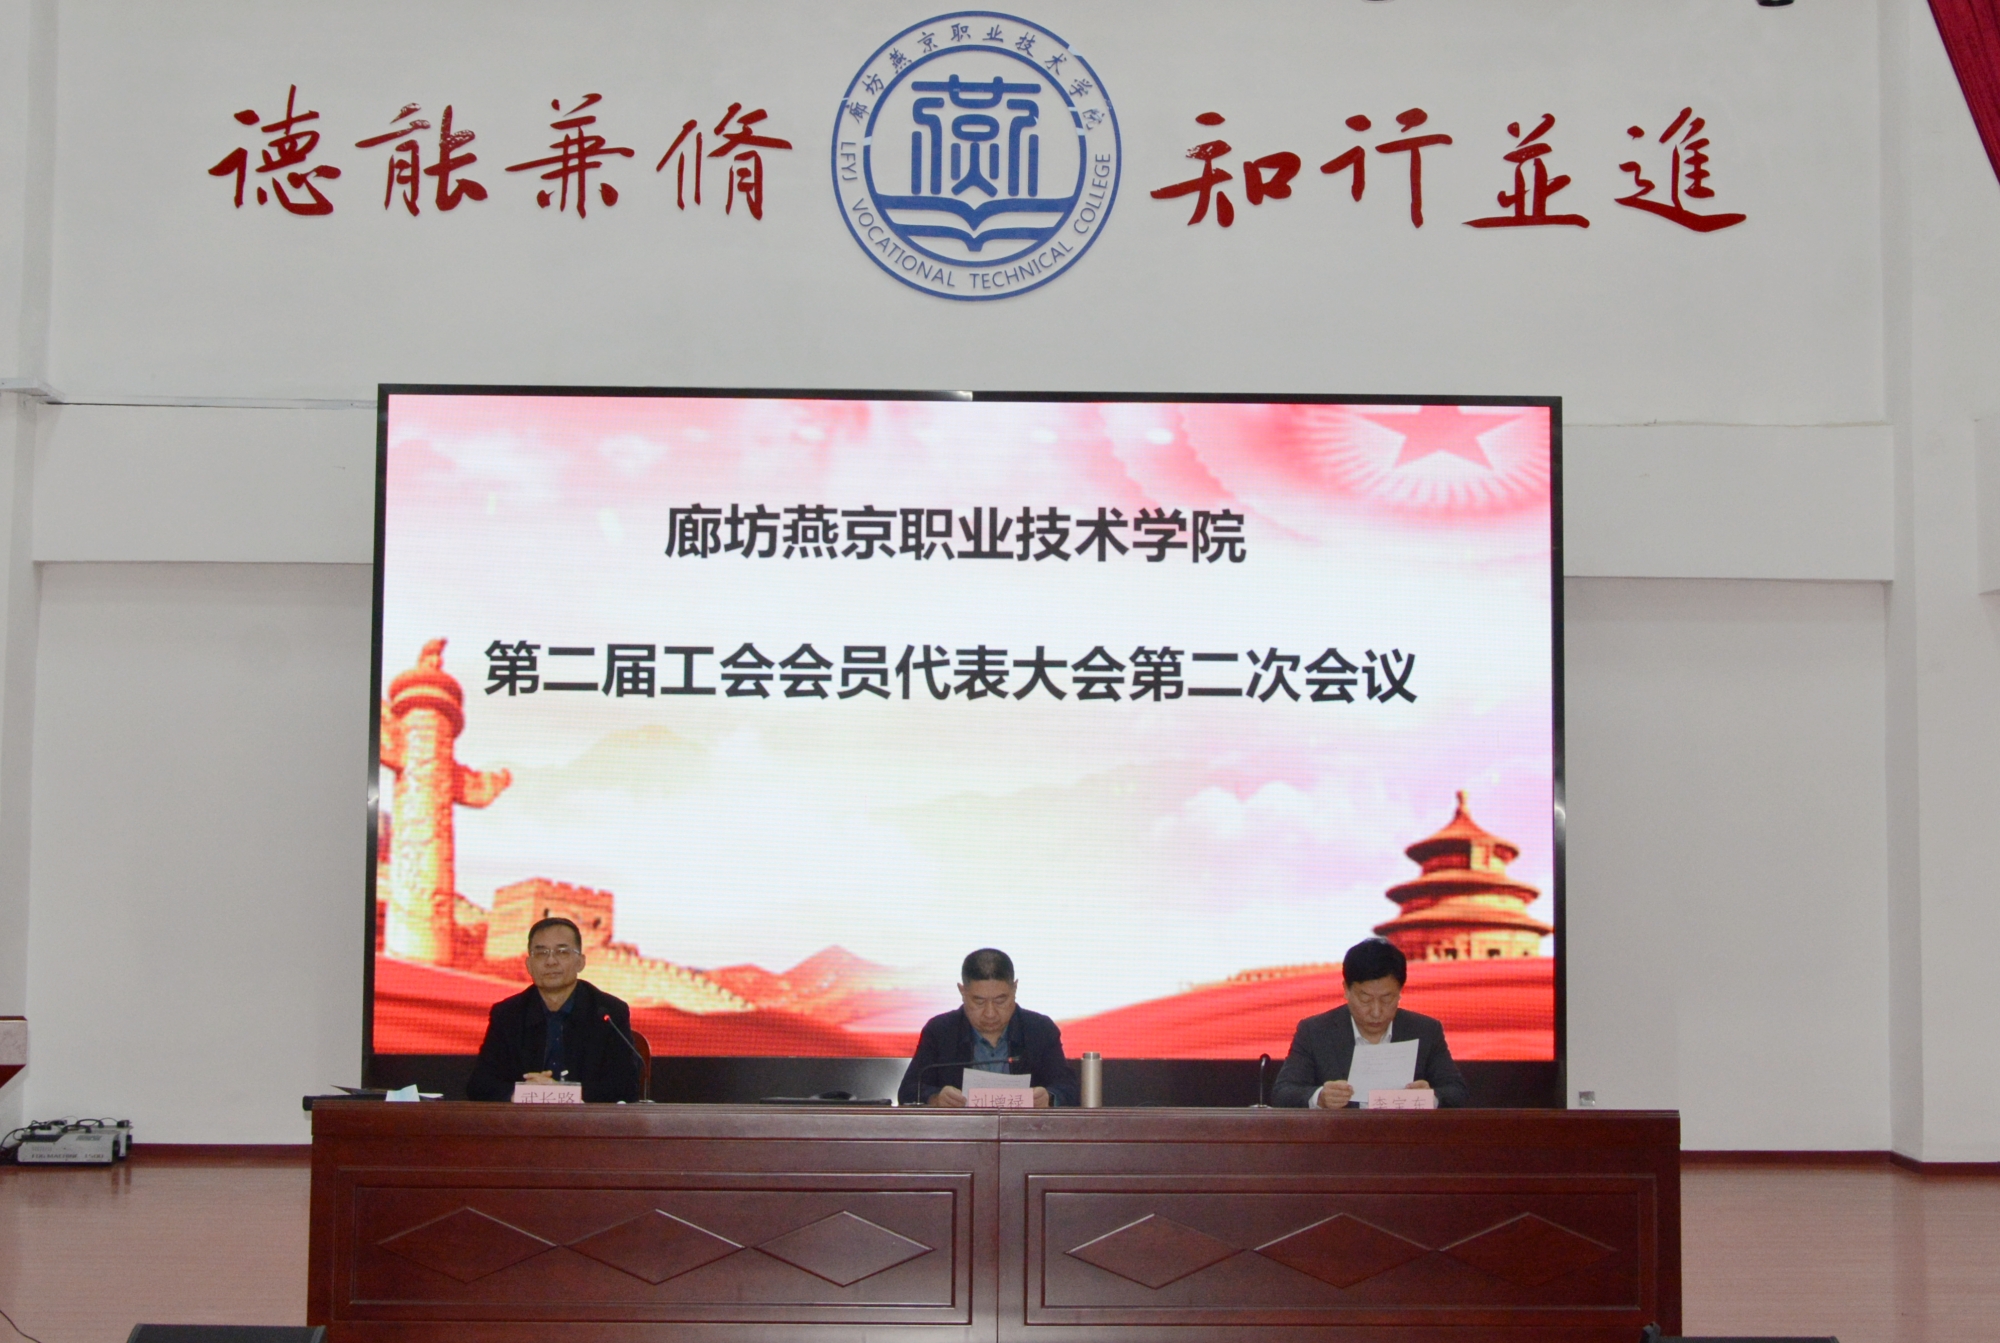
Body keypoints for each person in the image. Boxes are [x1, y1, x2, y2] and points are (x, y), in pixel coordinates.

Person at [1270, 937, 1470, 1108]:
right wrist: (1320, 1097)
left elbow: (1457, 1091)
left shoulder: (1425, 1031)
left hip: (1404, 1139)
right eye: (1365, 999)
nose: (1376, 1011)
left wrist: (1430, 1097)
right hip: (1340, 1139)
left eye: (1387, 999)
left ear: (1400, 991)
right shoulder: (1315, 1031)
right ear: (1346, 990)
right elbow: (1283, 1093)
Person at [465, 916, 644, 1103]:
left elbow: (626, 1087)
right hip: (523, 1120)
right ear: (529, 965)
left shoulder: (608, 1012)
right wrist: (525, 1092)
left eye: (562, 952)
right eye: (541, 953)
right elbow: (479, 1085)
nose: (551, 961)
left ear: (581, 962)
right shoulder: (508, 1014)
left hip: (585, 1120)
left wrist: (561, 1093)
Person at [897, 948, 1080, 1107]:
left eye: (1000, 1000)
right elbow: (909, 1091)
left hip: (1025, 1132)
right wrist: (935, 1098)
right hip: (959, 1133)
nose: (990, 1013)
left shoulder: (1040, 1030)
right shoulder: (941, 1031)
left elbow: (1069, 1089)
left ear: (1014, 989)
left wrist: (1049, 1097)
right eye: (979, 1001)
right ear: (962, 991)